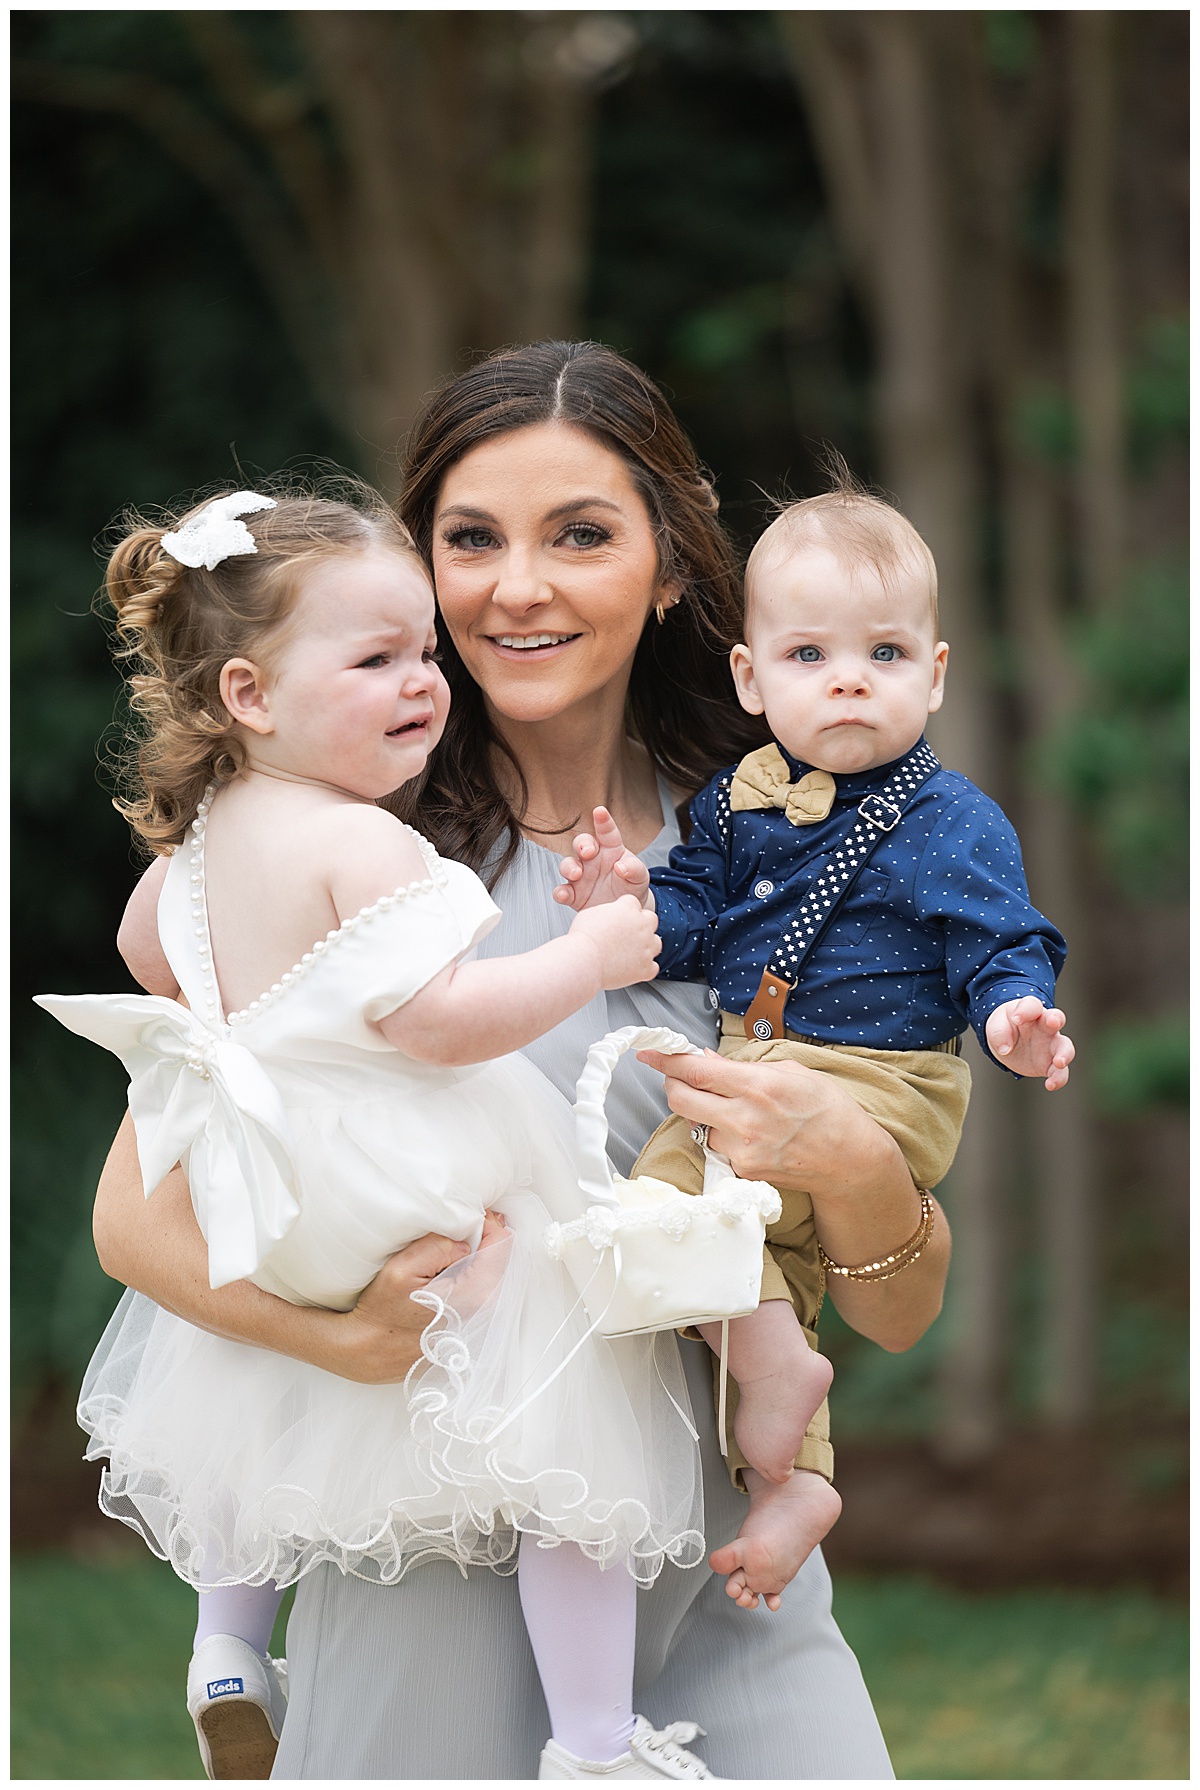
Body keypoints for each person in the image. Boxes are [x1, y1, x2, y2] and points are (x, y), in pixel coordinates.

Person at [90, 342, 948, 1780]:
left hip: (727, 1556)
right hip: (429, 1552)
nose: (517, 586)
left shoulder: (803, 846)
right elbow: (137, 1213)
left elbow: (909, 1302)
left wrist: (850, 1155)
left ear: (675, 569)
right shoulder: (336, 846)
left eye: (583, 536)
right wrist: (337, 1336)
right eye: (471, 540)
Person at [41, 482, 726, 1782]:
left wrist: (264, 1034)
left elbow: (152, 962)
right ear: (250, 694)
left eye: (424, 651)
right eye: (377, 659)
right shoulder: (369, 846)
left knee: (258, 1398)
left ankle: (232, 1647)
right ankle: (594, 1742)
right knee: (567, 1430)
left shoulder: (187, 854)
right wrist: (591, 950)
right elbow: (443, 1023)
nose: (425, 679)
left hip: (271, 1195)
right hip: (411, 1184)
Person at [555, 475, 1074, 1614]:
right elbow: (685, 920)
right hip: (761, 1059)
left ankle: (780, 1372)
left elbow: (1002, 937)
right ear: (751, 675)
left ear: (934, 674)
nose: (849, 677)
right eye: (809, 656)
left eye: (885, 653)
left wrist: (1011, 1016)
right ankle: (792, 1478)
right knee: (737, 1245)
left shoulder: (952, 819)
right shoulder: (734, 807)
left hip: (885, 1079)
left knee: (677, 1185)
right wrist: (626, 896)